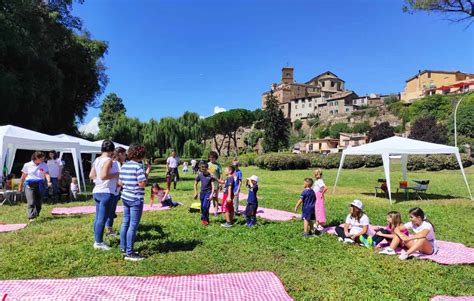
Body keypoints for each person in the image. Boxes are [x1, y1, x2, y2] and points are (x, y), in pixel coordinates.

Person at [119, 144, 151, 261]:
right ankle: (130, 253)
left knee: (125, 223)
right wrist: (147, 173)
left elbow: (120, 183)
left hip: (125, 197)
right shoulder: (138, 167)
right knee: (133, 225)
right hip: (136, 199)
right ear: (140, 155)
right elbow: (142, 184)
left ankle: (123, 248)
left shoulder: (124, 166)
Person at [89, 140, 119, 251]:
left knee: (98, 218)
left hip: (97, 191)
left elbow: (91, 175)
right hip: (106, 191)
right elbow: (104, 176)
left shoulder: (97, 160)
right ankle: (99, 243)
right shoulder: (108, 160)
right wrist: (116, 174)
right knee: (102, 218)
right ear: (112, 150)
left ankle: (97, 240)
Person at [19, 152, 52, 222]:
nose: (43, 160)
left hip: (40, 185)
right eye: (41, 158)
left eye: (43, 158)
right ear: (36, 158)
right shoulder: (27, 165)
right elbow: (23, 176)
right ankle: (31, 217)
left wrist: (49, 181)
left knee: (38, 203)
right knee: (31, 202)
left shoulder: (44, 165)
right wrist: (20, 185)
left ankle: (35, 214)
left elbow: (46, 174)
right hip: (29, 185)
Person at [105, 147, 127, 237]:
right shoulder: (116, 163)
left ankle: (109, 228)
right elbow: (118, 177)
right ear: (120, 154)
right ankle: (109, 230)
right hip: (113, 190)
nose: (126, 156)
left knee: (111, 211)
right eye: (125, 154)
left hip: (115, 190)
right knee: (110, 211)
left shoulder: (116, 162)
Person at [194, 161, 216, 226]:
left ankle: (205, 220)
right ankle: (205, 217)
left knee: (205, 206)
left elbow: (213, 186)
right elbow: (195, 183)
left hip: (208, 193)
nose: (202, 169)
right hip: (202, 193)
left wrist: (212, 194)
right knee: (203, 207)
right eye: (201, 167)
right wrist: (195, 192)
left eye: (204, 167)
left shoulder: (210, 176)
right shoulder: (200, 175)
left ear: (207, 168)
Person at [207, 151, 222, 217]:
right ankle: (206, 210)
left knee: (215, 198)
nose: (211, 159)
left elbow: (221, 175)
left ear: (215, 158)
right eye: (210, 158)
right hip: (208, 184)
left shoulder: (218, 165)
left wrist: (220, 183)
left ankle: (216, 211)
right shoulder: (207, 164)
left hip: (215, 184)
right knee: (207, 197)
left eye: (213, 158)